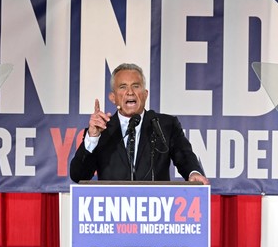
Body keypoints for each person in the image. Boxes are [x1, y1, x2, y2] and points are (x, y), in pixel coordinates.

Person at [69, 63, 209, 184]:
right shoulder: (101, 129)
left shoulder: (165, 125)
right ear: (113, 98)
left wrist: (193, 172)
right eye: (123, 87)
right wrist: (92, 138)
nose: (130, 92)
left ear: (145, 94)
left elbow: (183, 155)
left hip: (156, 210)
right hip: (113, 211)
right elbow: (79, 176)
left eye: (136, 86)